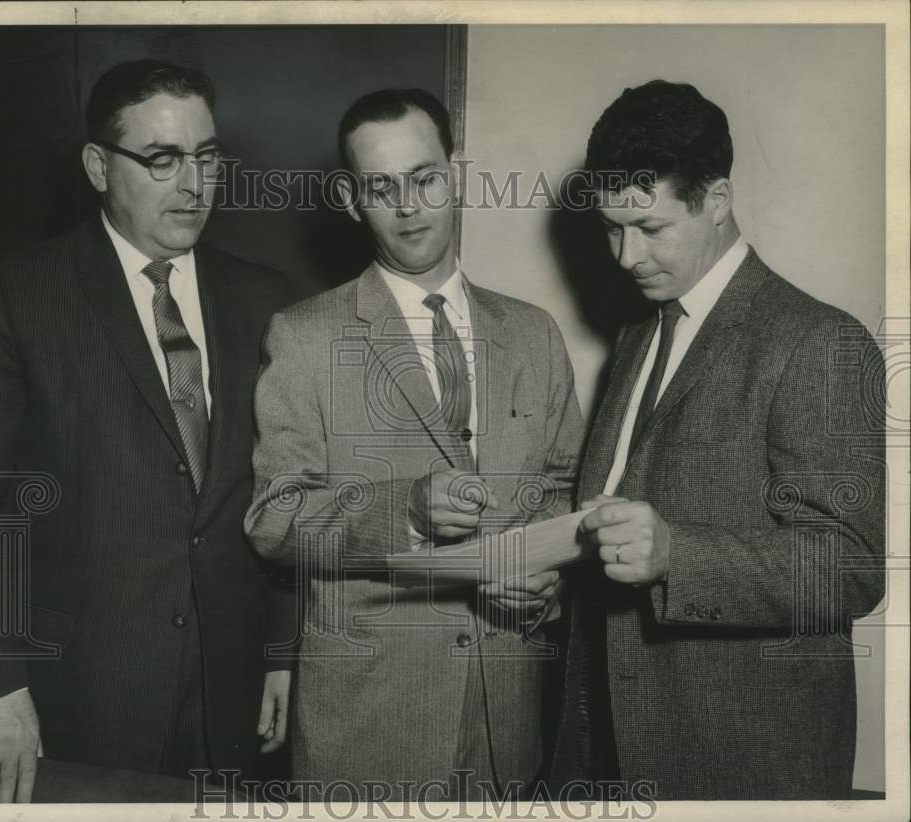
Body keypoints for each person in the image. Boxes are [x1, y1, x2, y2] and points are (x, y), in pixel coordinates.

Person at [0, 59, 295, 802]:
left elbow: (288, 492)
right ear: (99, 166)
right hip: (84, 692)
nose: (194, 183)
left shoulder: (266, 299)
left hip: (232, 692)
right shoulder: (18, 293)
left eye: (206, 156)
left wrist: (280, 653)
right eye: (163, 159)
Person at [244, 88, 584, 800]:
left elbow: (560, 491)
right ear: (349, 198)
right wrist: (406, 510)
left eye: (426, 178)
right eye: (381, 187)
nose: (409, 206)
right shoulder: (305, 335)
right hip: (371, 730)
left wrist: (544, 587)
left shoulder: (533, 333)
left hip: (508, 722)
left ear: (457, 173)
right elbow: (275, 519)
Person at [549, 80, 886, 800]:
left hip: (745, 768)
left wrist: (678, 555)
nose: (623, 256)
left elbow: (849, 566)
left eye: (650, 228)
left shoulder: (822, 342)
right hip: (608, 757)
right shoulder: (640, 332)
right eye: (610, 228)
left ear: (719, 200)